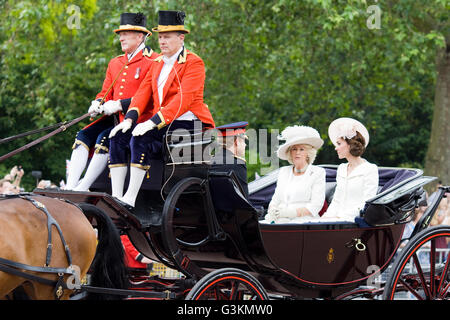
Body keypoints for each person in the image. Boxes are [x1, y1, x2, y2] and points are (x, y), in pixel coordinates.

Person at [108, 10, 215, 209]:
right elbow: (142, 94)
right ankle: (115, 197)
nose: (162, 41)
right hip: (162, 121)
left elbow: (182, 100)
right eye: (160, 37)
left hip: (187, 122)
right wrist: (129, 120)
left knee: (141, 138)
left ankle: (130, 198)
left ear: (181, 38)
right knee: (117, 137)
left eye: (167, 37)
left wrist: (151, 122)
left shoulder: (194, 62)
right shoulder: (157, 63)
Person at [65, 12, 159, 191]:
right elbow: (105, 91)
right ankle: (70, 186)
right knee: (82, 136)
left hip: (139, 119)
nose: (121, 38)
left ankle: (83, 187)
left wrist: (119, 105)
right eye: (120, 34)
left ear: (140, 36)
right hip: (114, 118)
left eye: (125, 34)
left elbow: (152, 97)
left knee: (104, 138)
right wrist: (98, 102)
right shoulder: (115, 63)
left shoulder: (154, 61)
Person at [262, 125, 326, 224]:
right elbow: (275, 199)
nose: (297, 153)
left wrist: (291, 213)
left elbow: (316, 205)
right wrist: (273, 210)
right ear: (290, 153)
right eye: (294, 149)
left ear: (308, 153)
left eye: (301, 149)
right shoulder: (284, 171)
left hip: (304, 223)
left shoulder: (317, 172)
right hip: (280, 221)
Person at [321, 117, 379, 222]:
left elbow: (366, 203)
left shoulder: (370, 169)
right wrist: (326, 217)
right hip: (335, 221)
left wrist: (340, 217)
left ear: (350, 145)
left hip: (354, 221)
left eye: (339, 144)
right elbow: (336, 200)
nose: (335, 148)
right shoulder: (341, 169)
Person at [211, 122, 249, 198]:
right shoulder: (237, 164)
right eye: (243, 141)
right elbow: (245, 201)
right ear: (236, 142)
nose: (245, 145)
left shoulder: (210, 161)